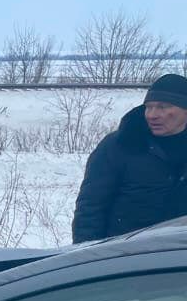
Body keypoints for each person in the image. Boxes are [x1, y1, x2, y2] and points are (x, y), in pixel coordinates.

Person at [72, 73, 187, 243]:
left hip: (177, 256)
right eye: (148, 107)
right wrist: (85, 254)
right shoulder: (120, 145)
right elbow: (90, 209)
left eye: (163, 107)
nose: (152, 115)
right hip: (126, 256)